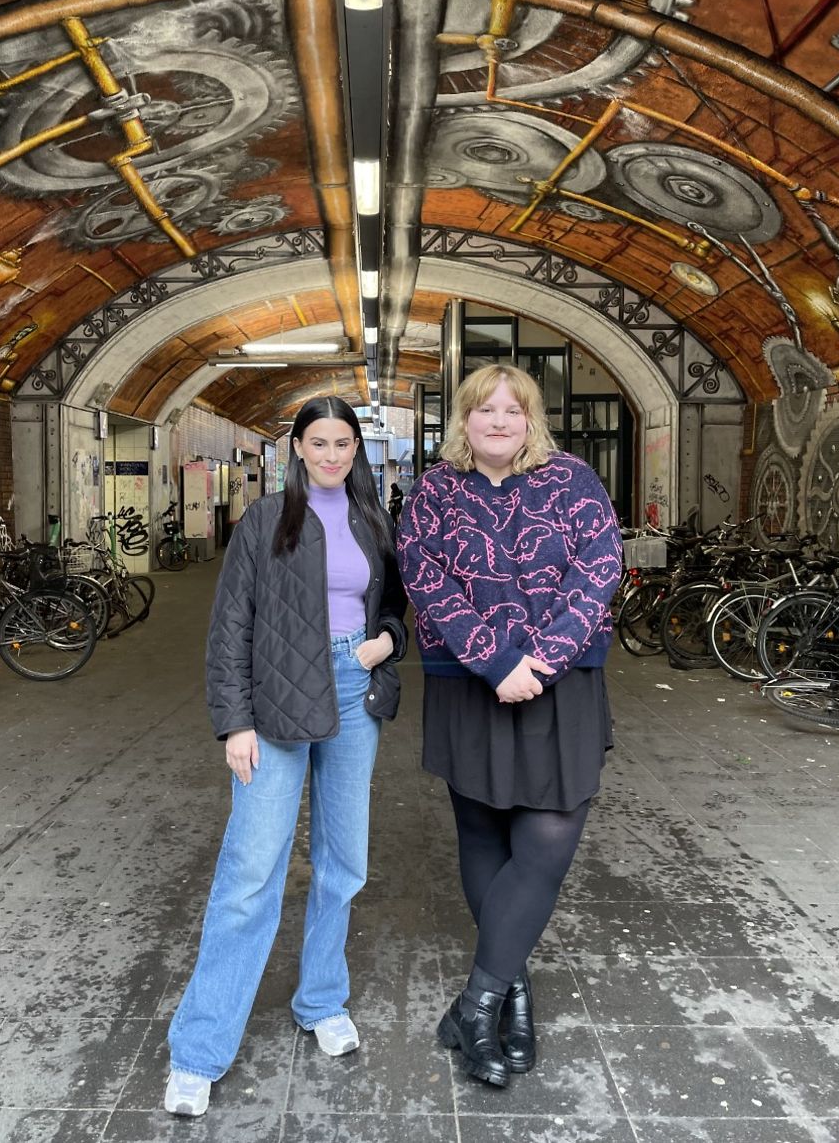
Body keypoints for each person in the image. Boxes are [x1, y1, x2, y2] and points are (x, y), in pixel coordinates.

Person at [165, 396, 408, 1116]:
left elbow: (395, 605)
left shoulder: (372, 520)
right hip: (275, 699)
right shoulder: (266, 520)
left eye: (344, 443)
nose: (332, 454)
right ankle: (199, 1048)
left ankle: (322, 998)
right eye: (319, 442)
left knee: (344, 861)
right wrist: (234, 722)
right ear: (297, 447)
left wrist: (385, 643)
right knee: (251, 869)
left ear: (356, 449)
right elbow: (230, 625)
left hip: (353, 690)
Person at [396, 363, 622, 1088]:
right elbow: (423, 577)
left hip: (563, 683)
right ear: (464, 419)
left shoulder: (574, 481)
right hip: (469, 682)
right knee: (484, 833)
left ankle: (476, 1001)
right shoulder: (435, 491)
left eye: (512, 409)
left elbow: (600, 567)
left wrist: (543, 659)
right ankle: (512, 993)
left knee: (546, 844)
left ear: (531, 419)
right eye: (484, 409)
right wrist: (495, 661)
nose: (498, 420)